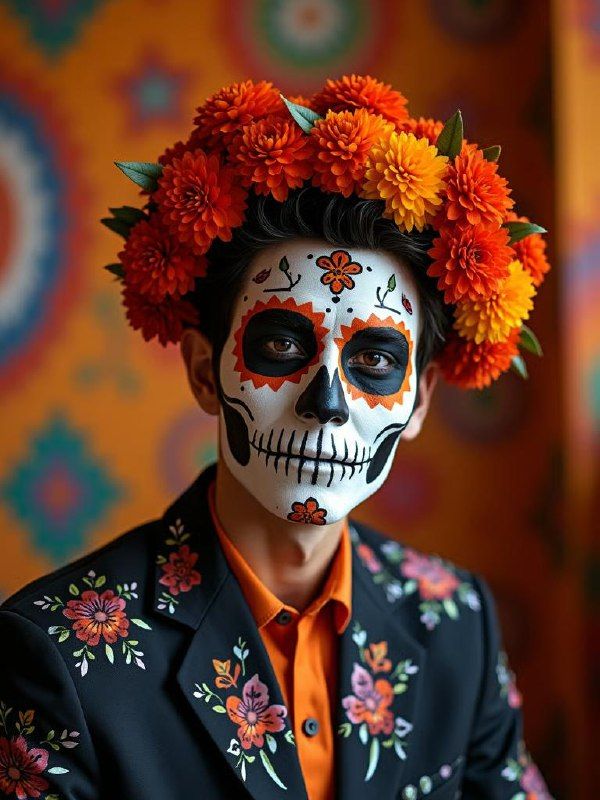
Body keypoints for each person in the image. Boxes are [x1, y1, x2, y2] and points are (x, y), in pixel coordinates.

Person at [0, 76, 554, 799]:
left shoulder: (456, 624)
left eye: (375, 361)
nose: (326, 403)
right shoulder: (58, 655)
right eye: (282, 346)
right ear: (205, 372)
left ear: (419, 401)